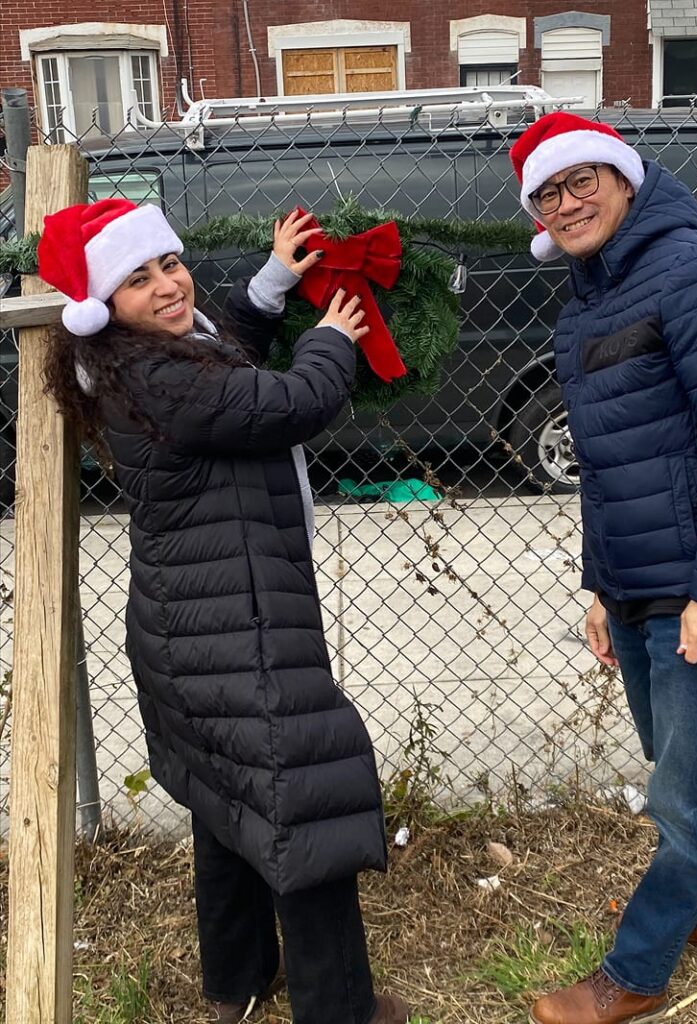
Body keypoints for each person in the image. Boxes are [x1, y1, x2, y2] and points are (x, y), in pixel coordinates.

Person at [37, 199, 411, 1024]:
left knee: (229, 797)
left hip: (194, 618)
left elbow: (224, 342)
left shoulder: (152, 353)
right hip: (234, 623)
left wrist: (275, 279)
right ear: (103, 304)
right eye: (138, 279)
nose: (168, 286)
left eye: (168, 264)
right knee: (299, 798)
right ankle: (340, 1009)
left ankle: (237, 981)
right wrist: (331, 341)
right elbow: (284, 403)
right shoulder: (156, 377)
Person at [509, 112, 697, 1024]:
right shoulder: (589, 297)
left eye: (583, 180)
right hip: (634, 584)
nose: (568, 202)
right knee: (684, 766)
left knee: (684, 796)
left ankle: (636, 975)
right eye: (548, 192)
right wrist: (598, 583)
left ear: (624, 178)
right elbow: (609, 456)